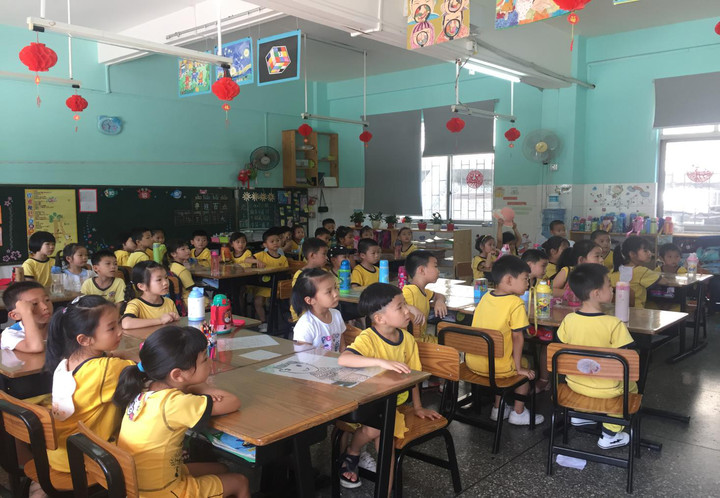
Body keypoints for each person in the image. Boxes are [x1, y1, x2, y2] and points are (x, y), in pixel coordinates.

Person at [113, 326, 249, 498]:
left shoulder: (144, 386)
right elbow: (233, 402)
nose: (210, 362)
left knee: (221, 468)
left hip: (140, 483)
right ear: (177, 375)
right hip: (163, 492)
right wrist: (204, 388)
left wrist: (190, 385)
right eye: (204, 359)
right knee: (240, 481)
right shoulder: (175, 403)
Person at [337, 283, 441, 489]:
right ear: (380, 318)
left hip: (393, 404)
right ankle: (354, 452)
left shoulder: (407, 339)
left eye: (406, 305)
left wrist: (418, 407)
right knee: (379, 432)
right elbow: (344, 359)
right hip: (370, 402)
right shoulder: (368, 338)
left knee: (381, 436)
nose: (407, 311)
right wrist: (381, 362)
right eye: (400, 307)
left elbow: (414, 377)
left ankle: (379, 483)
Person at [44, 295, 135, 472]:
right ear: (84, 339)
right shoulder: (106, 369)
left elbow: (113, 359)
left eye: (119, 323)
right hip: (87, 458)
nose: (120, 332)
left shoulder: (65, 362)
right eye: (111, 328)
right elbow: (145, 367)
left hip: (60, 453)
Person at [557, 263, 638, 449]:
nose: (612, 288)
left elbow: (560, 348)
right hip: (608, 390)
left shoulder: (569, 320)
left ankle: (580, 414)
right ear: (596, 293)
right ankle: (610, 434)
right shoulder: (614, 324)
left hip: (574, 384)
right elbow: (627, 360)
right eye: (608, 285)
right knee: (631, 385)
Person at [468, 256, 544, 426]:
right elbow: (518, 337)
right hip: (497, 368)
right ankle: (518, 412)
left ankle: (498, 409)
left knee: (500, 359)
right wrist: (519, 368)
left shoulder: (485, 298)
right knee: (525, 368)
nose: (528, 284)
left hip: (473, 362)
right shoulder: (515, 303)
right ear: (509, 280)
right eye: (525, 279)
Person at [292, 268, 346, 351]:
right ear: (310, 300)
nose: (336, 294)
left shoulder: (336, 314)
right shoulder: (306, 325)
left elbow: (342, 347)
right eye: (329, 292)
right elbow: (303, 356)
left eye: (335, 287)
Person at [521, 249, 553, 388]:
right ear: (529, 265)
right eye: (543, 266)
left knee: (548, 337)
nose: (545, 270)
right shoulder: (518, 281)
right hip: (520, 323)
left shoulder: (539, 283)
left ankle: (544, 379)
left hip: (533, 321)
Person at [402, 250, 447, 343]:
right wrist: (408, 307)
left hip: (423, 338)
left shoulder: (423, 291)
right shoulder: (409, 291)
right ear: (421, 270)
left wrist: (439, 301)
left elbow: (439, 295)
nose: (438, 271)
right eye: (435, 266)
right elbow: (389, 305)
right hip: (414, 342)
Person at [610, 236, 666, 309]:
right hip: (637, 311)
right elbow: (664, 282)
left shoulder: (613, 271)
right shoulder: (642, 271)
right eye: (645, 251)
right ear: (632, 254)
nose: (650, 253)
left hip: (615, 310)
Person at [121, 261, 180, 329]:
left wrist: (176, 318)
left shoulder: (169, 302)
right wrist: (160, 320)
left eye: (166, 277)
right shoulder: (136, 304)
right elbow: (126, 324)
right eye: (159, 280)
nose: (165, 283)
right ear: (142, 286)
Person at [251, 228, 289, 331]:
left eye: (277, 240)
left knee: (274, 301)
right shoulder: (261, 255)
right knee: (257, 301)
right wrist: (257, 261)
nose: (275, 243)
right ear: (265, 245)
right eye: (272, 241)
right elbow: (247, 259)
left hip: (277, 287)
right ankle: (264, 322)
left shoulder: (283, 258)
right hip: (264, 286)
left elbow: (285, 273)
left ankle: (278, 322)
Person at [1, 281, 52, 354]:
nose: (45, 307)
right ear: (15, 315)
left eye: (47, 300)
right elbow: (35, 347)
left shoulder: (58, 325)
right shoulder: (10, 334)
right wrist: (26, 312)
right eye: (34, 304)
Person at [290, 238, 329, 322]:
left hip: (321, 312)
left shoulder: (325, 271)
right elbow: (299, 300)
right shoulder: (300, 275)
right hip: (304, 316)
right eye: (324, 254)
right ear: (312, 255)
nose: (327, 258)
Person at [164, 239, 194, 311]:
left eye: (187, 248)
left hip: (178, 299)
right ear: (173, 254)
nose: (188, 251)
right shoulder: (182, 270)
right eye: (183, 249)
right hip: (188, 300)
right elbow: (192, 288)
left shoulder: (171, 266)